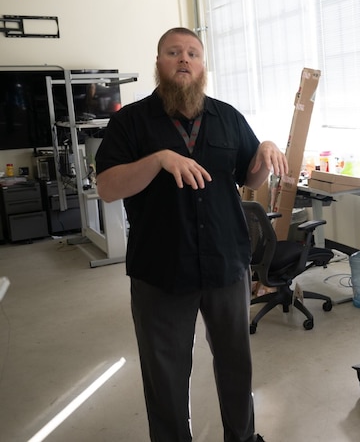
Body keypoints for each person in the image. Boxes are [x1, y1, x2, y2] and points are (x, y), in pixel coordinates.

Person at [95, 27, 287, 442]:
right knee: (165, 373)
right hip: (161, 269)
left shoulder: (228, 117)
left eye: (193, 54)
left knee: (236, 364)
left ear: (202, 67)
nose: (185, 59)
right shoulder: (130, 122)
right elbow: (107, 187)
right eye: (174, 52)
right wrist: (160, 159)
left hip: (225, 263)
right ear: (159, 63)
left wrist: (265, 152)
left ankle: (243, 437)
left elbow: (248, 177)